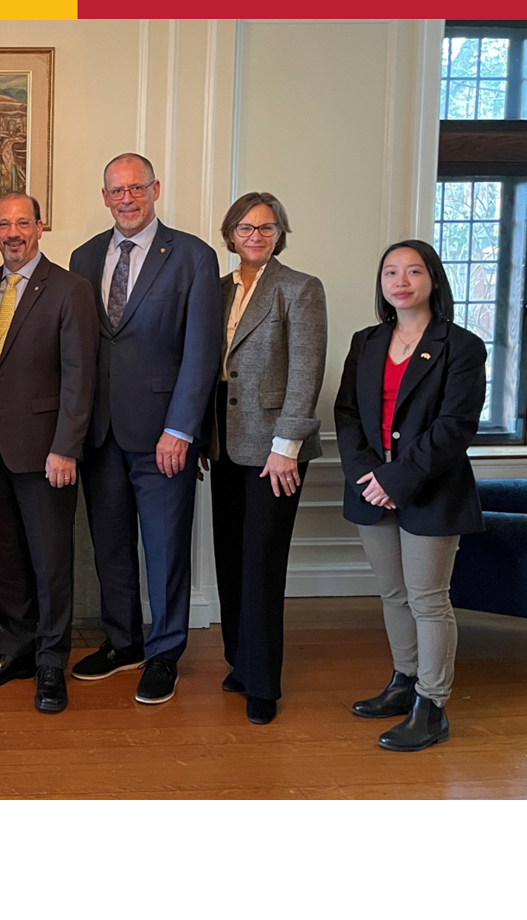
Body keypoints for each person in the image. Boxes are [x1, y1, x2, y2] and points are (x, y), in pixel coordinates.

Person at [68, 153, 222, 705]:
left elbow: (202, 352)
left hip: (163, 437)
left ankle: (164, 653)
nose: (127, 199)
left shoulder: (192, 257)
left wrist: (181, 429)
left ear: (155, 189)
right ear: (104, 196)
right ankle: (122, 642)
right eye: (116, 191)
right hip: (100, 433)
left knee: (164, 550)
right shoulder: (83, 257)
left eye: (136, 188)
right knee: (110, 548)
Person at [336, 240, 485, 752]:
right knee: (394, 595)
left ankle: (432, 704)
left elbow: (454, 427)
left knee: (427, 600)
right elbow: (348, 415)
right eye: (390, 272)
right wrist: (368, 477)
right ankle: (404, 682)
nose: (401, 280)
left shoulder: (462, 346)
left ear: (433, 280)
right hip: (370, 490)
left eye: (413, 271)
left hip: (432, 491)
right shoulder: (366, 342)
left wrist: (396, 480)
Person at [0, 193, 97, 714]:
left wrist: (66, 447)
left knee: (51, 563)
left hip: (46, 455)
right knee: (5, 561)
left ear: (40, 226)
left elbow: (80, 377)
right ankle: (16, 647)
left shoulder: (70, 289)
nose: (13, 232)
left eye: (23, 222)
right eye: (3, 224)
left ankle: (49, 663)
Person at [205, 192, 326, 726]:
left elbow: (305, 372)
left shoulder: (299, 289)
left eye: (266, 227)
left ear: (280, 232)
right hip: (226, 446)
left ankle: (263, 683)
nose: (255, 236)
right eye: (245, 227)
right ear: (230, 233)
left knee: (260, 566)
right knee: (230, 559)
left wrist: (286, 448)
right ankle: (239, 662)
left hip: (275, 451)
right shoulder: (216, 289)